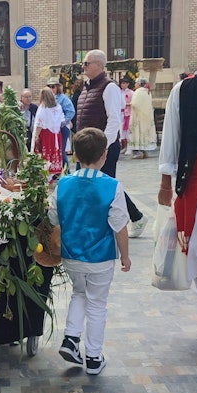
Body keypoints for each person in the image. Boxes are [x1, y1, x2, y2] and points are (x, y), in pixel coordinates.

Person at [49, 127, 131, 375]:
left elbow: (53, 218)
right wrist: (125, 256)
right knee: (97, 304)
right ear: (104, 155)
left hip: (71, 255)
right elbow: (119, 226)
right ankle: (93, 357)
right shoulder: (112, 186)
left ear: (75, 155)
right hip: (100, 258)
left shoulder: (63, 183)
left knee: (79, 293)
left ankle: (71, 338)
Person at [76, 49, 148, 238]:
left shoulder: (109, 87)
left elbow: (114, 120)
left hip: (102, 149)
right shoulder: (87, 87)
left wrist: (102, 148)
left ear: (99, 65)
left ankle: (136, 217)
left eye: (87, 63)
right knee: (90, 185)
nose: (83, 66)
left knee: (107, 187)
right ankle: (94, 223)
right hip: (86, 148)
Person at [158, 71, 197, 336]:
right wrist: (165, 182)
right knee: (196, 250)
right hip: (195, 180)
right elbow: (171, 136)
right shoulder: (184, 90)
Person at [31, 86, 64, 180]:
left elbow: (40, 124)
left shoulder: (43, 108)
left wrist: (36, 136)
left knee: (44, 155)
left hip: (46, 134)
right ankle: (53, 175)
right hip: (56, 134)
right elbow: (62, 120)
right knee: (54, 152)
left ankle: (46, 176)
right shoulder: (58, 107)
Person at [47, 77, 75, 169]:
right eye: (49, 87)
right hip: (52, 129)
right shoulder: (48, 99)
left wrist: (63, 122)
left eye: (53, 87)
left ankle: (66, 171)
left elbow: (71, 111)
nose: (51, 89)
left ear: (58, 87)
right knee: (55, 150)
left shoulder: (63, 98)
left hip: (62, 128)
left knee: (61, 150)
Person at [129, 78, 157, 159]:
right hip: (146, 117)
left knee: (137, 133)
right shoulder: (147, 92)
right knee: (144, 134)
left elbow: (134, 104)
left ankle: (138, 152)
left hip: (138, 116)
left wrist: (130, 104)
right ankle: (144, 151)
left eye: (135, 83)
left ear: (139, 83)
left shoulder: (138, 92)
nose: (135, 84)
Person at [119, 76, 133, 154]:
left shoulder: (131, 93)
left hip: (128, 113)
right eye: (121, 83)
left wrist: (127, 104)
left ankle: (129, 147)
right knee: (121, 131)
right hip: (120, 113)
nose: (122, 85)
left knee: (127, 130)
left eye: (124, 83)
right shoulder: (119, 92)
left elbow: (134, 102)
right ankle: (123, 146)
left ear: (128, 84)